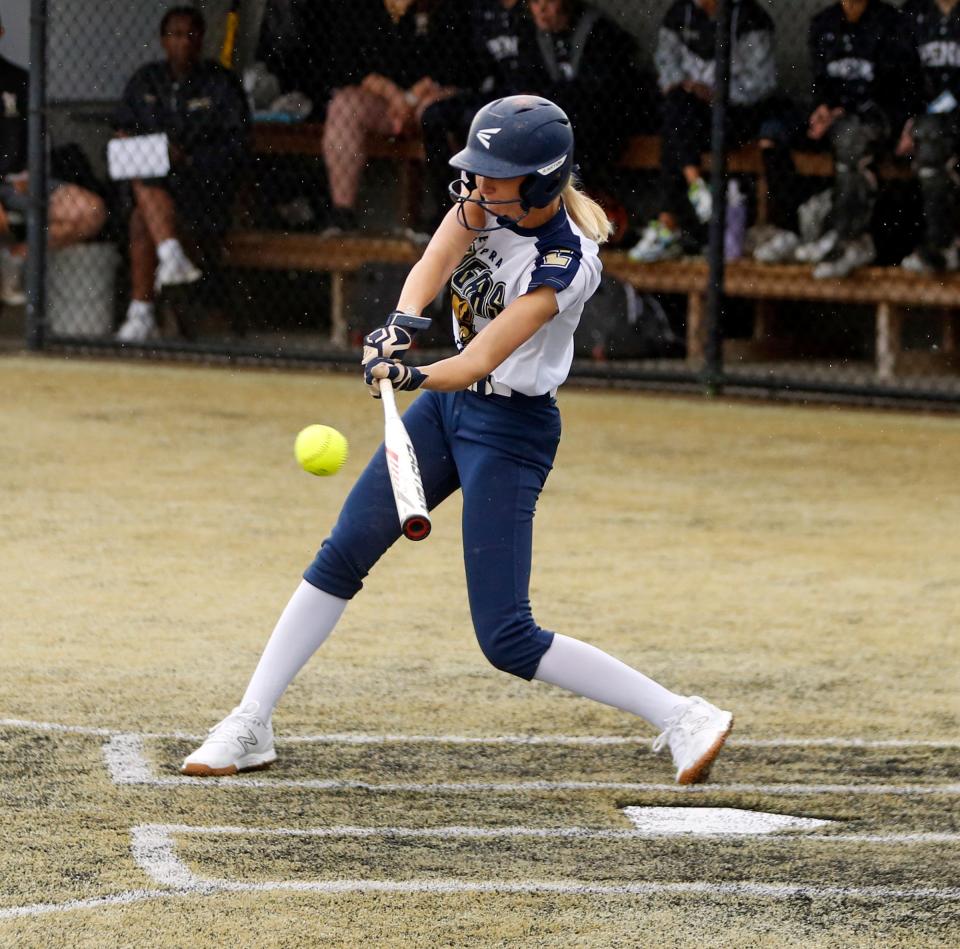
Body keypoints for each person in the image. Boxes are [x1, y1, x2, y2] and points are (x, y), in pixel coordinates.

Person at [180, 95, 734, 788]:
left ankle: (682, 714)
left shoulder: (567, 260)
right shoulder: (482, 201)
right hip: (447, 413)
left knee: (506, 636)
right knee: (345, 548)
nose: (478, 184)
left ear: (539, 182)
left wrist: (406, 372)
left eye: (496, 175)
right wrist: (401, 323)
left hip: (510, 430)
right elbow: (435, 261)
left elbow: (481, 358)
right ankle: (251, 716)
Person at [112, 6, 249, 343]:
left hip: (201, 186)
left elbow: (238, 145)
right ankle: (170, 255)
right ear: (162, 40)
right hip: (151, 180)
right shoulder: (146, 80)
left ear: (201, 40)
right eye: (174, 34)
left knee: (141, 218)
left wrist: (186, 158)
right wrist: (150, 148)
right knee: (142, 183)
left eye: (190, 34)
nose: (182, 42)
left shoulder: (221, 83)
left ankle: (141, 311)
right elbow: (122, 131)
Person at [628, 0, 777, 263]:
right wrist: (685, 86)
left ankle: (672, 218)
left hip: (736, 114)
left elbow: (762, 82)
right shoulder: (679, 14)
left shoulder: (751, 17)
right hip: (690, 112)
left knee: (675, 127)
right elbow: (665, 66)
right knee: (676, 106)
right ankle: (695, 187)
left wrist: (718, 93)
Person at [789, 0, 920, 279]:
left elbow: (896, 90)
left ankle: (850, 239)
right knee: (776, 134)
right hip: (840, 119)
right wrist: (823, 109)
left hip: (881, 118)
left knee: (852, 137)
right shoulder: (823, 23)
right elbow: (822, 83)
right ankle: (796, 233)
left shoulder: (891, 22)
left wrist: (844, 110)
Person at [321, 0, 474, 236]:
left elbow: (456, 67)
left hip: (430, 97)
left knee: (437, 113)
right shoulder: (361, 8)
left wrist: (412, 99)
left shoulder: (445, 8)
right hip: (383, 102)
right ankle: (342, 215)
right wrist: (393, 96)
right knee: (343, 106)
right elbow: (347, 65)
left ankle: (447, 213)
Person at [0, 13, 106, 305]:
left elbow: (40, 140)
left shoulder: (20, 80)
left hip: (21, 182)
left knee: (91, 211)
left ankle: (16, 258)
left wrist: (32, 173)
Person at [418, 0, 531, 238]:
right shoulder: (475, 9)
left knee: (475, 123)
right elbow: (463, 64)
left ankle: (494, 211)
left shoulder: (536, 9)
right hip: (486, 96)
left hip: (528, 99)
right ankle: (446, 208)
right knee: (434, 116)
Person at [520, 0, 648, 196]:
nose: (542, 9)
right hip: (557, 118)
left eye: (549, 1)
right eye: (536, 2)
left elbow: (599, 91)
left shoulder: (597, 29)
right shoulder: (533, 35)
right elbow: (528, 83)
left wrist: (549, 96)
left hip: (603, 122)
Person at [896, 0, 960, 273]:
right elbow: (902, 78)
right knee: (929, 140)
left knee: (932, 133)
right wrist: (910, 119)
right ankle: (942, 246)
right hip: (928, 121)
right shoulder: (912, 12)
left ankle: (943, 243)